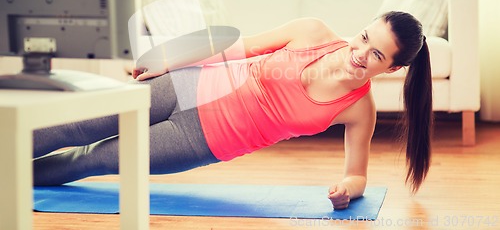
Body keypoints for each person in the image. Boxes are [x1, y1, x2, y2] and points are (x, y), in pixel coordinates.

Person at [32, 11, 432, 210]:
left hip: (200, 141)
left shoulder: (360, 109)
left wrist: (348, 190)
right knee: (75, 125)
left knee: (90, 160)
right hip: (186, 86)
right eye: (363, 37)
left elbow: (357, 174)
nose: (359, 53)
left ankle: (15, 178)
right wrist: (169, 60)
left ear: (392, 68)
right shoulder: (312, 32)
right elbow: (238, 48)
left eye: (376, 54)